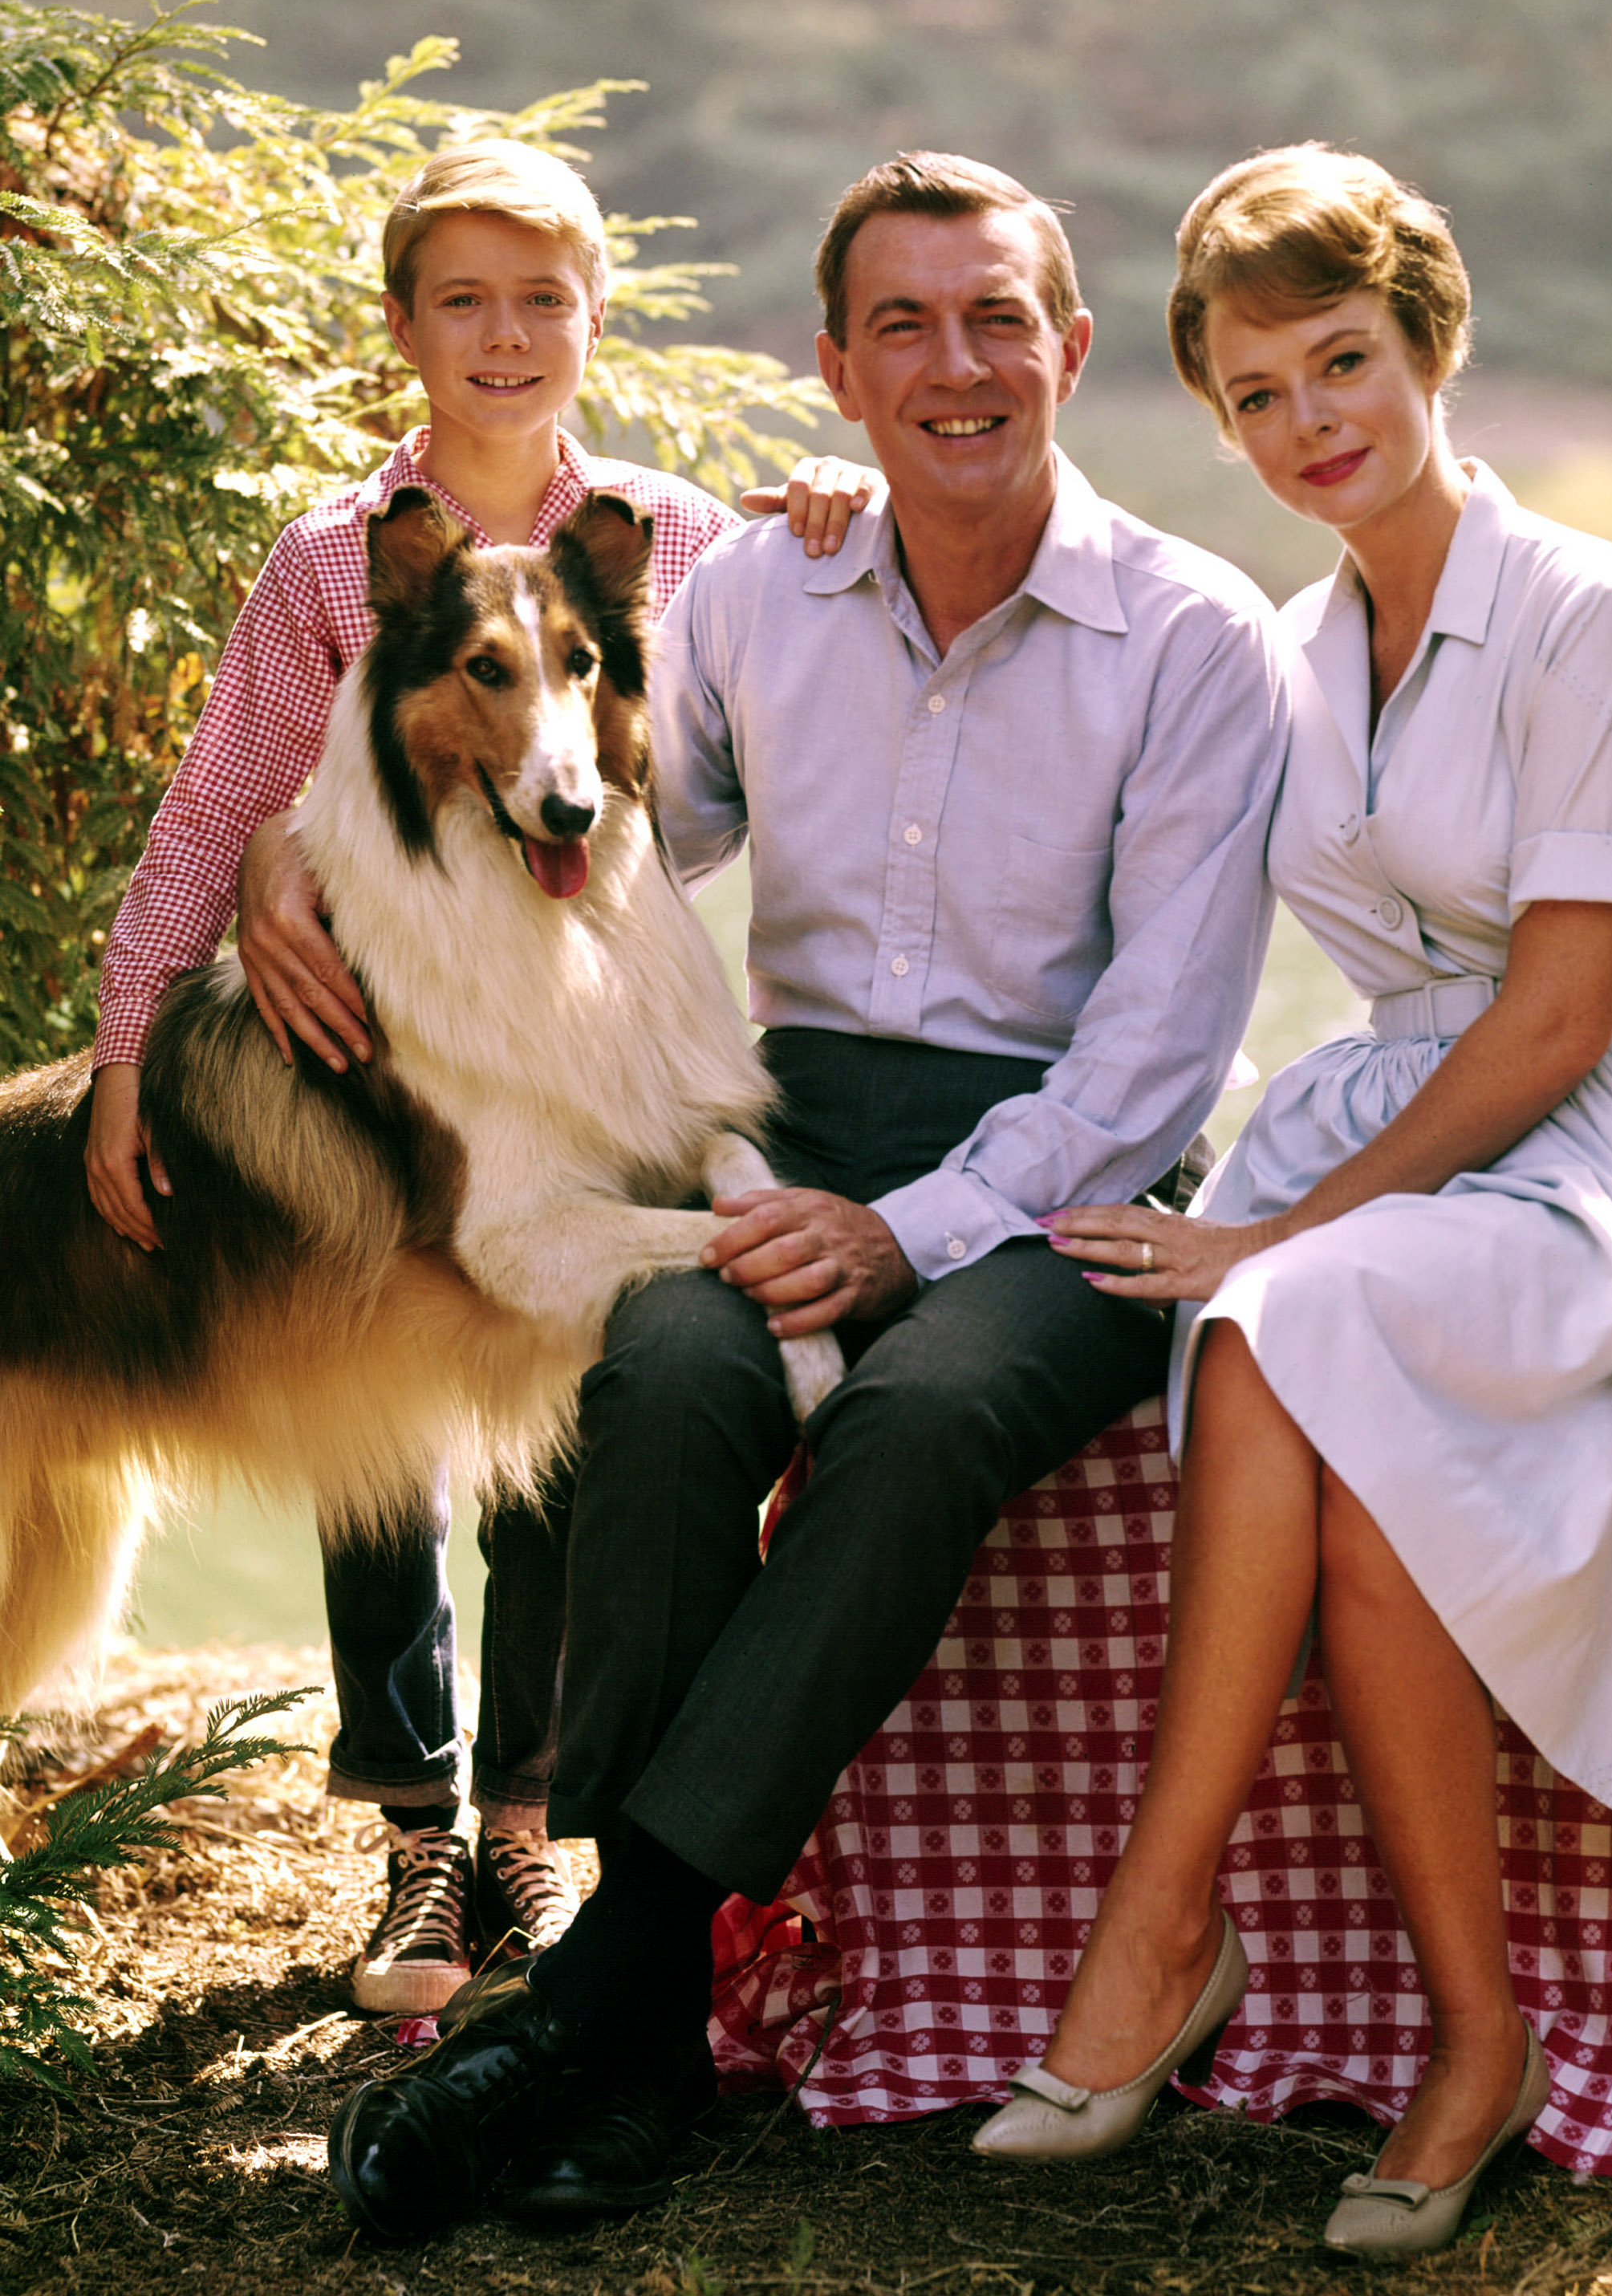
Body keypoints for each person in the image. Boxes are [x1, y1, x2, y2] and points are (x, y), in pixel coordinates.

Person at [323, 149, 1286, 2241]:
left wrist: (907, 1233)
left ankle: (604, 1995)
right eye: (908, 326)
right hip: (784, 1134)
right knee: (665, 1373)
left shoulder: (1197, 641)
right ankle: (645, 2033)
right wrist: (736, 1166)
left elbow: (1162, 1045)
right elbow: (645, 876)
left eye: (999, 318)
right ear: (835, 365)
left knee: (924, 1413)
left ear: (1074, 349)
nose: (960, 366)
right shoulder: (750, 589)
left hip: (1074, 1175)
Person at [973, 144, 1612, 2257]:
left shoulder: (1585, 609)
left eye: (1345, 363)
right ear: (1215, 420)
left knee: (1284, 1317)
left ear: (1432, 348)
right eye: (1256, 393)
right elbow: (1089, 637)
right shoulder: (1303, 644)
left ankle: (1160, 1926)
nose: (1310, 421)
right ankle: (1469, 2038)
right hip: (1429, 1114)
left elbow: (1561, 1017)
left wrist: (1274, 1239)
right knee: (1330, 1396)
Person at [85, 137, 872, 2018]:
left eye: (543, 298)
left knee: (569, 1407)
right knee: (386, 1408)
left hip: (587, 1032)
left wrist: (856, 498)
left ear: (594, 318)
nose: (504, 336)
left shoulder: (681, 536)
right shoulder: (329, 558)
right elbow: (217, 812)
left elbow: (836, 649)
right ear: (404, 325)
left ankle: (525, 1823)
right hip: (371, 1047)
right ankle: (415, 1831)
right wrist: (129, 1056)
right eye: (464, 299)